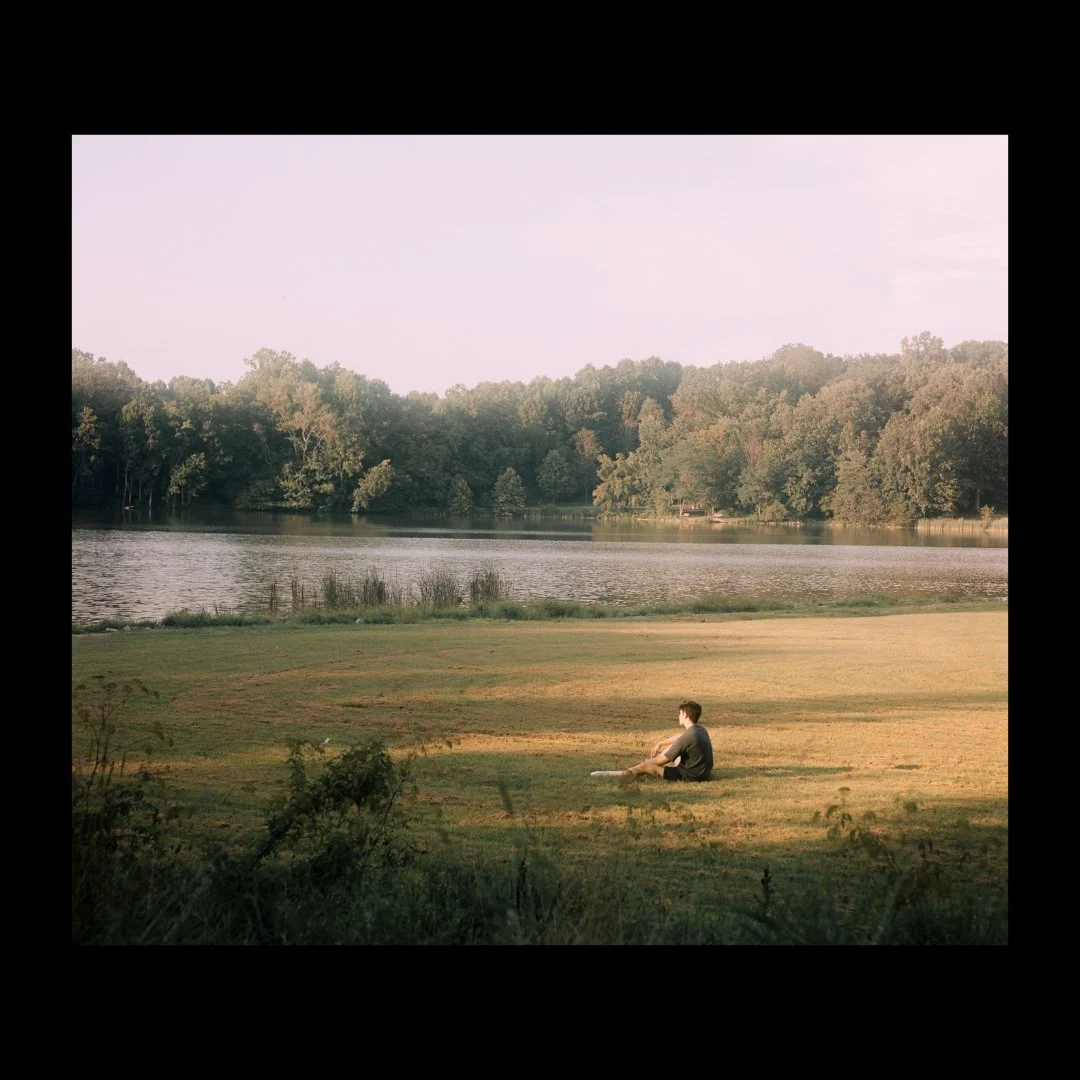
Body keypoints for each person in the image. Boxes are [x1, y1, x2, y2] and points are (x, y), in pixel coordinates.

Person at [591, 701, 713, 781]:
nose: (678, 716)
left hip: (691, 776)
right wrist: (661, 743)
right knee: (671, 748)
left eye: (680, 713)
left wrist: (644, 764)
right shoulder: (699, 730)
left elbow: (660, 760)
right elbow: (679, 738)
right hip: (703, 773)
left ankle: (621, 774)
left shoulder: (688, 737)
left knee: (647, 766)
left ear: (685, 715)